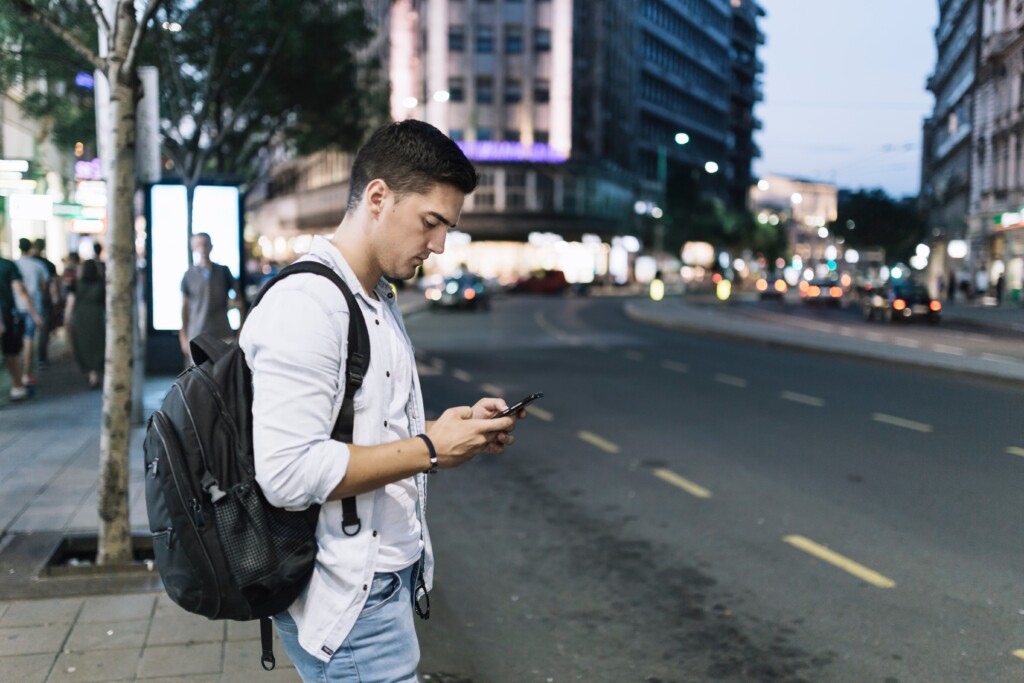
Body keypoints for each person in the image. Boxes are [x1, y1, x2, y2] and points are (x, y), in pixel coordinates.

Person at [239, 120, 523, 682]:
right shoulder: (308, 304)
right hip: (348, 602)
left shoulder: (373, 297)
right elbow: (287, 472)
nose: (439, 245)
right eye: (431, 222)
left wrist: (447, 430)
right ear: (377, 198)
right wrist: (428, 450)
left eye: (447, 228)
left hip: (377, 586)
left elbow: (364, 429)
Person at [178, 232, 245, 364]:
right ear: (193, 248)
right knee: (200, 372)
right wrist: (183, 337)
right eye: (199, 245)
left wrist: (241, 328)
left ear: (211, 246)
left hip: (222, 333)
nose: (202, 248)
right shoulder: (189, 275)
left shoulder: (223, 271)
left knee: (224, 371)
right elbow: (184, 308)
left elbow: (239, 301)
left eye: (205, 244)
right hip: (197, 335)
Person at [0, 252, 42, 402]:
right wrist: (34, 314)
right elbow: (20, 290)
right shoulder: (7, 265)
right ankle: (18, 385)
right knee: (11, 351)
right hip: (7, 313)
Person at [15, 238, 51, 386]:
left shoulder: (14, 265)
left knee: (17, 343)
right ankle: (26, 373)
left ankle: (18, 375)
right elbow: (44, 287)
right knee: (29, 339)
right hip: (34, 307)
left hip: (16, 307)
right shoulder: (38, 265)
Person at [65, 259, 106, 388]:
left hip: (80, 317)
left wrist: (67, 319)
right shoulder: (102, 284)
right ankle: (94, 373)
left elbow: (70, 303)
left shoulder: (76, 284)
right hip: (97, 316)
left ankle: (90, 373)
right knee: (97, 345)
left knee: (83, 345)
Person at [30, 238, 60, 369]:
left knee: (28, 333)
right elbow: (54, 284)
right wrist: (56, 300)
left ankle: (29, 360)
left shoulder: (26, 263)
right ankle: (41, 358)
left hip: (27, 301)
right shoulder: (48, 264)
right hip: (44, 300)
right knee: (44, 330)